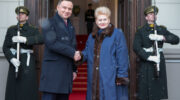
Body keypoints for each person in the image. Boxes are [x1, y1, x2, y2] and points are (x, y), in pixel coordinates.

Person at [79, 6, 129, 100]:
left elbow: (122, 56)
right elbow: (87, 52)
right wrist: (80, 55)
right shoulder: (92, 36)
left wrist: (121, 75)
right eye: (99, 20)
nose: (102, 22)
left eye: (104, 19)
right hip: (94, 76)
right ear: (96, 21)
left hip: (110, 75)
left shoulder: (117, 34)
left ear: (109, 19)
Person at [133, 6, 179, 100]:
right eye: (150, 14)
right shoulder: (140, 30)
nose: (153, 16)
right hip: (146, 63)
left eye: (155, 14)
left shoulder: (161, 29)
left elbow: (176, 39)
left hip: (158, 62)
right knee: (145, 92)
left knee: (157, 91)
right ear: (146, 17)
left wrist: (162, 37)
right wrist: (149, 57)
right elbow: (136, 47)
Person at [39, 0, 80, 100]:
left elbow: (73, 46)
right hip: (53, 73)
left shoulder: (70, 26)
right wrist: (72, 53)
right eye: (64, 7)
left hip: (66, 73)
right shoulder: (49, 23)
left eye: (69, 9)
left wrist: (74, 69)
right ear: (57, 8)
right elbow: (52, 43)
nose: (67, 10)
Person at [3, 6, 43, 100]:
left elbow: (41, 39)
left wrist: (25, 39)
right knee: (14, 89)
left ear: (27, 17)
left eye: (23, 14)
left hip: (27, 62)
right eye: (18, 14)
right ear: (16, 17)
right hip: (15, 62)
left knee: (27, 89)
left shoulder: (33, 29)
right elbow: (5, 47)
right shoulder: (11, 29)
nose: (20, 15)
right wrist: (11, 58)